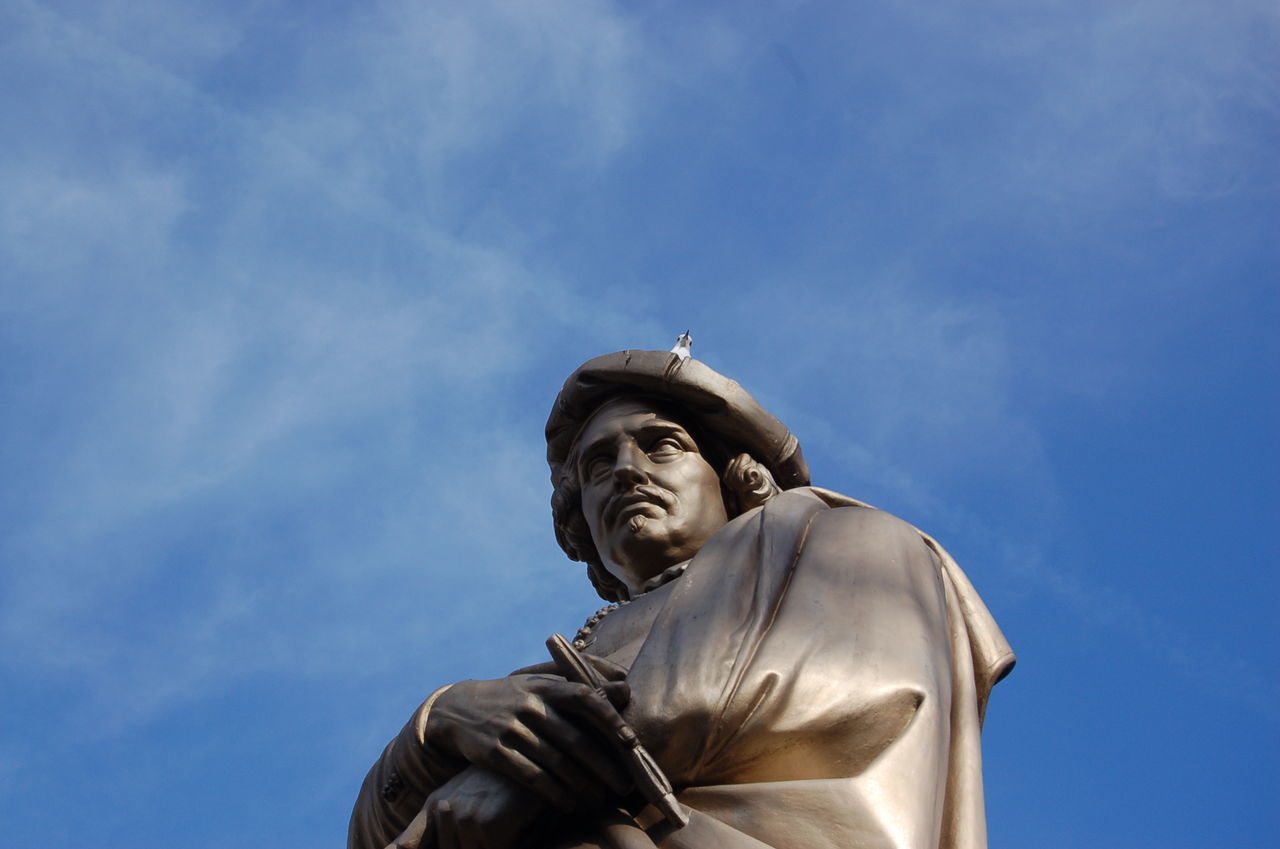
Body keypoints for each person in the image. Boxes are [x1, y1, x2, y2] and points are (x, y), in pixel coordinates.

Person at [349, 350, 1015, 849]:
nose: (626, 472)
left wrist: (527, 775)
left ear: (735, 474)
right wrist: (439, 720)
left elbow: (837, 684)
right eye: (597, 466)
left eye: (661, 444)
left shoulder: (844, 538)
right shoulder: (545, 681)